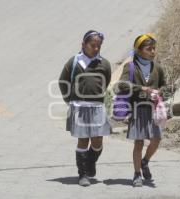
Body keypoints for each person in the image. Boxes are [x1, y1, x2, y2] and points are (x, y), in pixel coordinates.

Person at [58, 30, 111, 186]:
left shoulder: (104, 63)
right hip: (79, 106)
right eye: (92, 45)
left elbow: (105, 81)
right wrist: (69, 99)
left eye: (98, 46)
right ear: (84, 44)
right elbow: (63, 81)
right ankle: (83, 174)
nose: (95, 48)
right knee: (83, 139)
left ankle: (90, 162)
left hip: (97, 107)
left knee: (97, 141)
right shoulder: (74, 62)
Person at [118, 33, 166, 187]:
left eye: (154, 49)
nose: (153, 52)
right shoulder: (130, 67)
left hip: (153, 109)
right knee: (138, 143)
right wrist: (142, 88)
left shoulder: (157, 67)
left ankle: (145, 161)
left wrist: (160, 92)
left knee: (156, 139)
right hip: (137, 109)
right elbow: (122, 85)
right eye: (149, 49)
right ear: (139, 50)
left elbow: (164, 85)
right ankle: (137, 174)